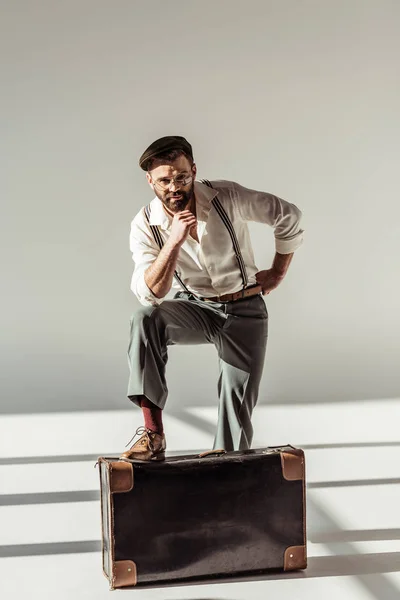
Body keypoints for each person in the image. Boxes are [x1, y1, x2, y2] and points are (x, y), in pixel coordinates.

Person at [120, 135, 304, 461]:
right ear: (150, 181)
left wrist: (277, 271)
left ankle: (226, 472)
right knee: (145, 319)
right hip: (195, 308)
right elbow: (149, 293)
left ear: (193, 169)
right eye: (164, 180)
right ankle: (153, 434)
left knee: (237, 405)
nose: (173, 187)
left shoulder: (227, 196)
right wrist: (173, 242)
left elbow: (287, 215)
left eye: (181, 177)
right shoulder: (145, 224)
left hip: (245, 308)